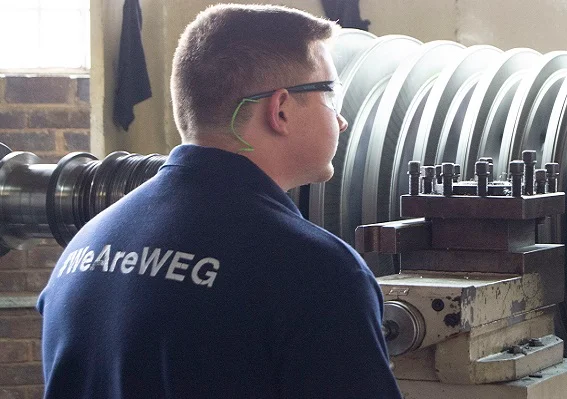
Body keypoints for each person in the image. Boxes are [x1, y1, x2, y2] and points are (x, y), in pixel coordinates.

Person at [36, 4, 402, 398]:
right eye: (332, 96)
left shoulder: (85, 246)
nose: (341, 120)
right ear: (279, 109)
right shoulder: (315, 273)